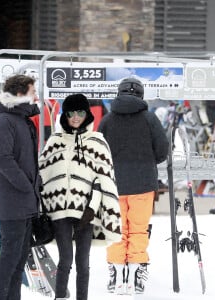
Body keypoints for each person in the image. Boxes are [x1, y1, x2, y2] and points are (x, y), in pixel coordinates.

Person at [38, 93, 121, 300]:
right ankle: (60, 297)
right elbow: (43, 175)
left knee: (83, 262)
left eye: (80, 112)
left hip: (86, 212)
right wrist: (44, 208)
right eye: (71, 113)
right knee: (65, 260)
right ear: (64, 115)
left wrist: (92, 208)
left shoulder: (97, 142)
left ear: (88, 114)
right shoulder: (54, 141)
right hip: (59, 212)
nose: (75, 117)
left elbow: (104, 179)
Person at [98, 77, 169, 295]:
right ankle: (136, 276)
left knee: (116, 229)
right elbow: (162, 151)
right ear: (141, 95)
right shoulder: (150, 119)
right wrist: (146, 161)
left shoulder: (107, 120)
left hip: (113, 185)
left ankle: (117, 275)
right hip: (143, 183)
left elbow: (98, 151)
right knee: (138, 229)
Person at [0, 74, 41, 300]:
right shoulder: (3, 122)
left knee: (19, 262)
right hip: (12, 202)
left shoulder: (24, 121)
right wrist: (26, 185)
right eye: (33, 91)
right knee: (9, 259)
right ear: (20, 94)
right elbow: (3, 161)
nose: (36, 96)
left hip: (26, 201)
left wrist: (35, 186)